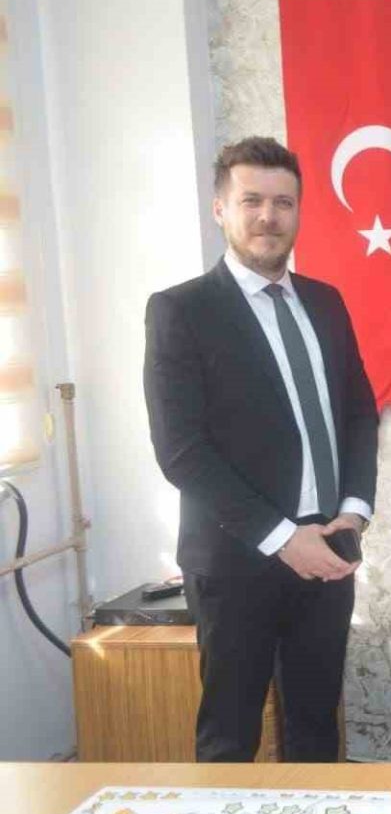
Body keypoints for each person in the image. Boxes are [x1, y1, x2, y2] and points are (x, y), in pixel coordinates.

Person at [144, 136, 378, 763]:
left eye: (283, 202)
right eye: (252, 201)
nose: (268, 217)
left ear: (299, 211)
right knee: (230, 736)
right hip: (235, 559)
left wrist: (354, 510)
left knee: (315, 728)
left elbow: (359, 413)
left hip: (328, 547)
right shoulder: (180, 310)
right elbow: (181, 451)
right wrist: (281, 538)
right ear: (220, 208)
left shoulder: (326, 302)